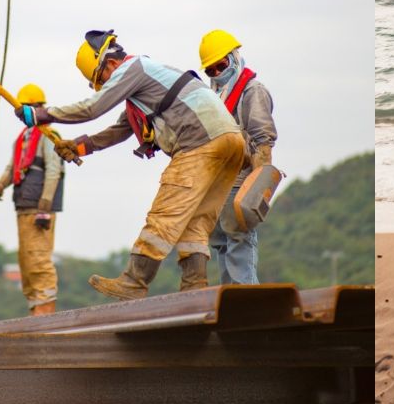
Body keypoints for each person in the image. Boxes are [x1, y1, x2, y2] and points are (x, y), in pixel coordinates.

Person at [14, 30, 245, 300]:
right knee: (196, 222)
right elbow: (121, 129)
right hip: (230, 141)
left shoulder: (132, 68)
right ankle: (194, 288)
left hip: (199, 141)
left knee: (164, 216)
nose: (105, 87)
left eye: (101, 80)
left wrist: (42, 114)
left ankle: (135, 281)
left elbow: (92, 108)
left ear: (110, 64)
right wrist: (78, 146)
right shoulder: (149, 78)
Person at [198, 29, 277, 285]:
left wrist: (257, 186)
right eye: (211, 70)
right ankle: (230, 297)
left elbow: (263, 139)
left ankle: (247, 298)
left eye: (220, 66)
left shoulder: (252, 91)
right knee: (221, 241)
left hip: (242, 180)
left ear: (233, 58)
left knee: (239, 239)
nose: (217, 74)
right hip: (219, 183)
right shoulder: (216, 97)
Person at [0, 84, 64, 316]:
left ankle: (46, 312)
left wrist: (45, 207)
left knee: (39, 260)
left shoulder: (48, 136)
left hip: (39, 209)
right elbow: (13, 168)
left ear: (39, 108)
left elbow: (54, 171)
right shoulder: (22, 138)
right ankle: (35, 310)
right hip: (22, 206)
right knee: (26, 263)